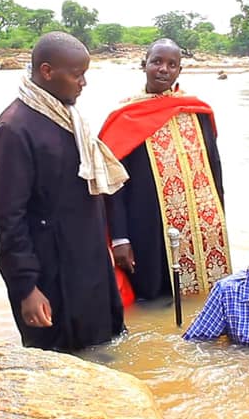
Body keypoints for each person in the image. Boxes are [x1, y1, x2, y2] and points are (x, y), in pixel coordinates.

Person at [0, 31, 127, 352]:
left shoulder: (68, 117)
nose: (84, 83)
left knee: (106, 351)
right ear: (47, 72)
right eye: (77, 75)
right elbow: (9, 219)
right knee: (60, 364)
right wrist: (27, 288)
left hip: (89, 266)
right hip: (52, 277)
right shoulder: (13, 129)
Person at [99, 38, 231, 301]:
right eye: (157, 62)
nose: (163, 69)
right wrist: (120, 239)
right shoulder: (125, 116)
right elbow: (113, 184)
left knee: (200, 297)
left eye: (172, 64)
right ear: (144, 65)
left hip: (195, 226)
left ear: (179, 71)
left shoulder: (197, 112)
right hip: (144, 225)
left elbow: (214, 172)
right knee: (150, 297)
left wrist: (219, 222)